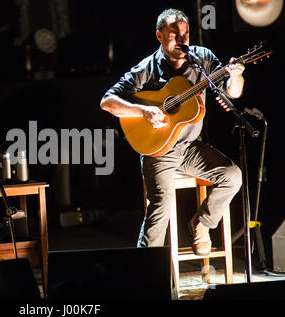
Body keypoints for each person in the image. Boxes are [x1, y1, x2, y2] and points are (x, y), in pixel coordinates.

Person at [100, 9, 244, 255]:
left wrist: (236, 76)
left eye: (186, 34)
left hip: (190, 148)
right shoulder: (146, 68)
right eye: (174, 34)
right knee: (160, 208)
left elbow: (233, 92)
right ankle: (146, 269)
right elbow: (107, 101)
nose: (182, 40)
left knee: (232, 176)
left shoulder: (203, 58)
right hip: (158, 152)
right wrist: (142, 112)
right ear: (159, 36)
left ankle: (201, 223)